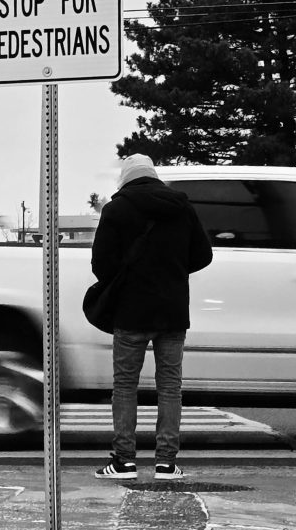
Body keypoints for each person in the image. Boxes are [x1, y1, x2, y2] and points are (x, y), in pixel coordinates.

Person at [91, 154, 213, 481]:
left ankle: (123, 462)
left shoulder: (115, 210)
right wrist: (171, 269)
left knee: (125, 386)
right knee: (170, 386)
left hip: (130, 312)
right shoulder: (182, 208)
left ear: (125, 178)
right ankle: (166, 464)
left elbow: (101, 266)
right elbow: (204, 255)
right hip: (172, 311)